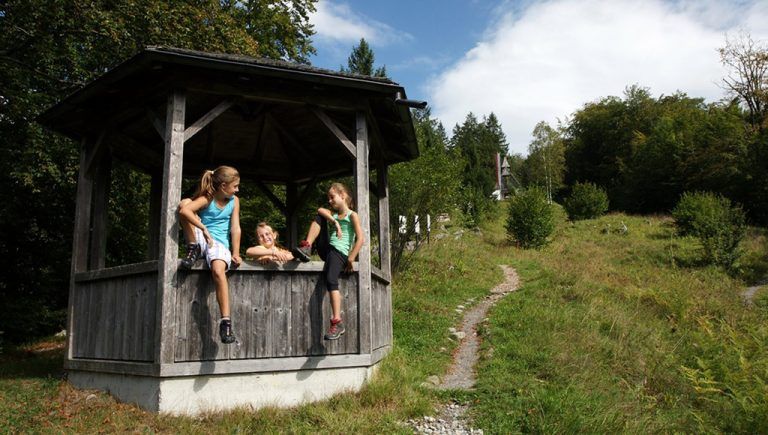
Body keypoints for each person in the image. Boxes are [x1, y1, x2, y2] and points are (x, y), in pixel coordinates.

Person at [178, 166, 242, 344]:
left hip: (218, 243)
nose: (237, 189)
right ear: (223, 186)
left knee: (218, 271)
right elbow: (185, 212)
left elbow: (235, 228)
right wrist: (203, 228)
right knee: (185, 203)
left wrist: (236, 252)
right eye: (235, 186)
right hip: (201, 236)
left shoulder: (234, 201)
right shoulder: (208, 197)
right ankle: (193, 248)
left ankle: (226, 322)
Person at [293, 182, 364, 340]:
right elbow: (320, 210)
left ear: (343, 196)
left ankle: (337, 321)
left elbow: (361, 239)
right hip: (328, 249)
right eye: (329, 198)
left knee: (331, 279)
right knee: (320, 216)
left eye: (332, 197)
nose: (330, 200)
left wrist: (351, 258)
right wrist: (334, 222)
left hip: (339, 252)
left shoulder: (352, 215)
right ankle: (307, 246)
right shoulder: (335, 215)